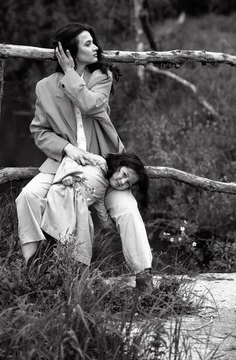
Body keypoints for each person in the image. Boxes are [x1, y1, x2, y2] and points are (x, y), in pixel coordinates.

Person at [15, 22, 153, 292]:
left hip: (107, 165)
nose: (96, 48)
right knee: (28, 197)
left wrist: (69, 73)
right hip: (63, 164)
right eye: (87, 44)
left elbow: (90, 105)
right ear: (70, 51)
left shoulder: (101, 77)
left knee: (127, 209)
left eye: (94, 42)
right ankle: (35, 266)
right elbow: (39, 131)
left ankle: (143, 275)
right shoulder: (45, 87)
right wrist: (67, 149)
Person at [40, 152, 149, 272]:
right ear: (118, 165)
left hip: (80, 208)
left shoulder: (103, 189)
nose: (122, 182)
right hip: (64, 195)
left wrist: (108, 225)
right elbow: (71, 158)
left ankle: (71, 273)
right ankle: (44, 262)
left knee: (82, 244)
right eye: (124, 174)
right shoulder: (100, 162)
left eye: (128, 183)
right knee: (59, 232)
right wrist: (68, 174)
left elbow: (100, 207)